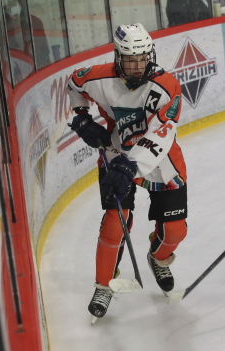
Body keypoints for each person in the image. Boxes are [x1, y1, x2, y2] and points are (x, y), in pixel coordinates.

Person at [67, 23, 188, 321]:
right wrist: (82, 118)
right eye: (130, 60)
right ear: (118, 57)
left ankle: (158, 258)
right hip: (116, 150)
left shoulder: (167, 86)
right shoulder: (99, 77)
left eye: (143, 58)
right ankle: (103, 285)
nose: (137, 66)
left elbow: (162, 133)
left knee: (176, 230)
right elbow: (73, 83)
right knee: (115, 222)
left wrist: (133, 164)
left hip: (158, 159)